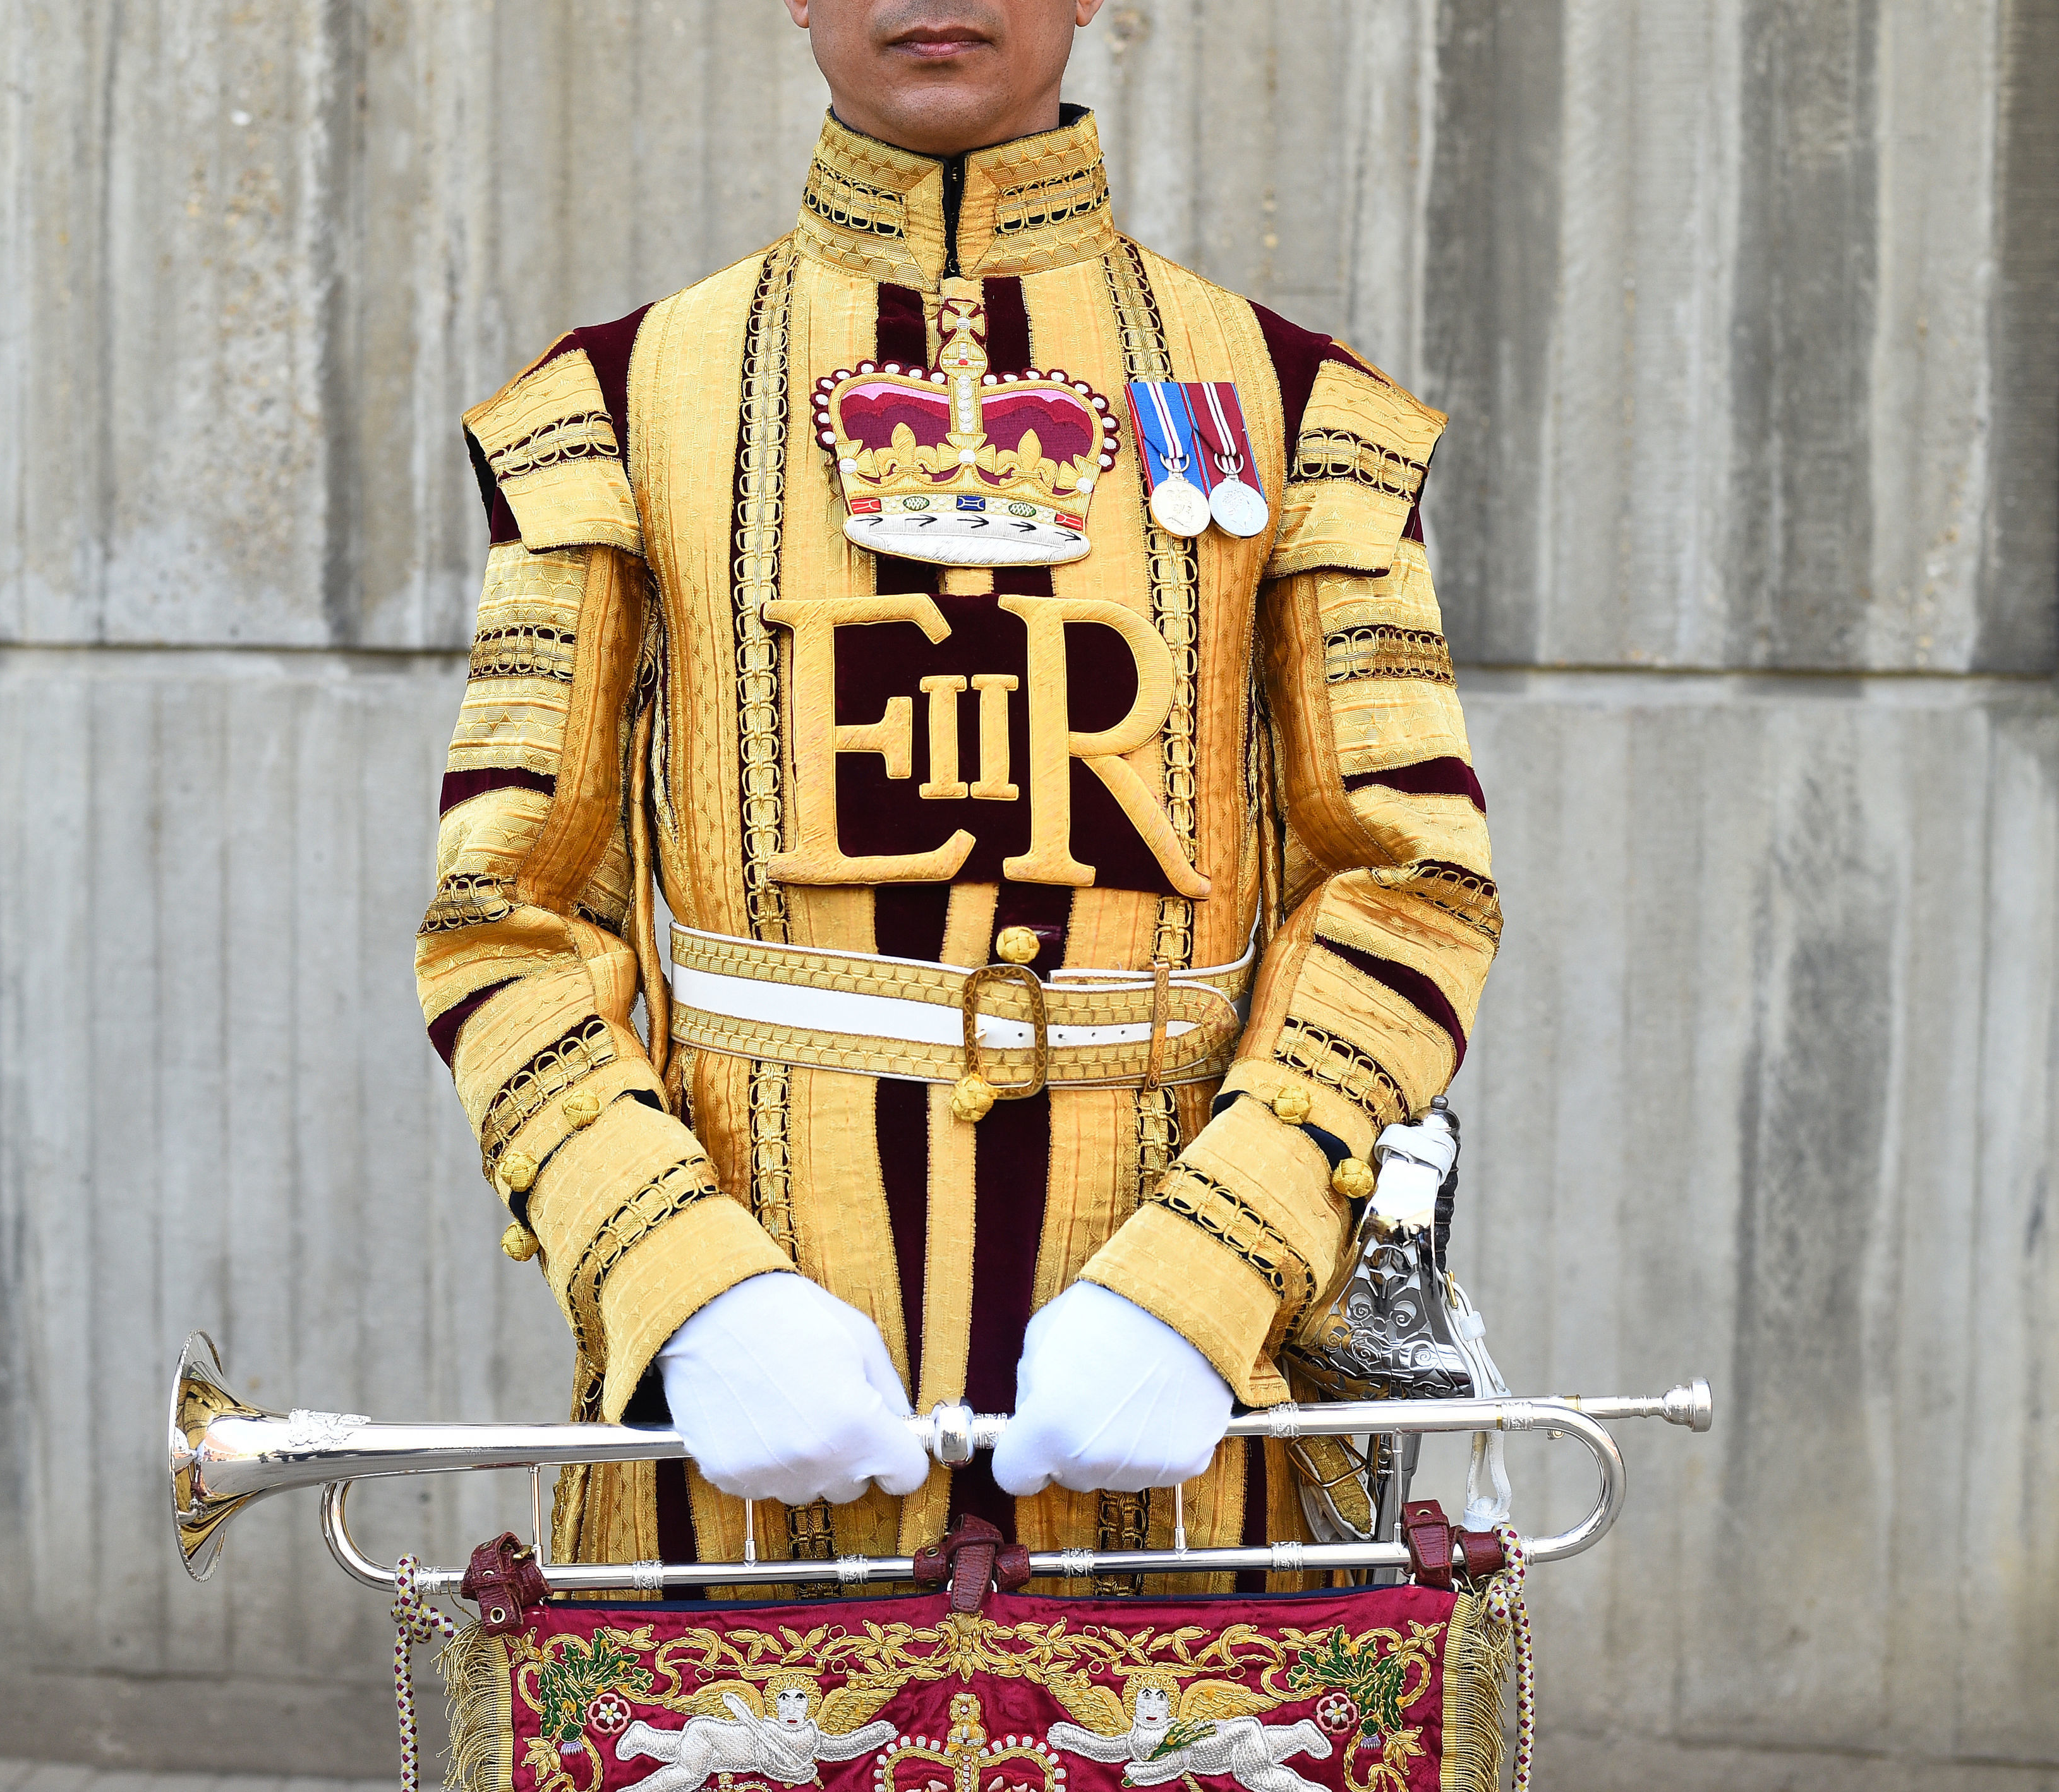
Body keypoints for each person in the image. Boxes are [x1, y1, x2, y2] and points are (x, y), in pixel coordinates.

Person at [416, 0, 1500, 1585]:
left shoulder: (1292, 403)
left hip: (1178, 1419)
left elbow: (1409, 886)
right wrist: (682, 1278)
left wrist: (1212, 1277)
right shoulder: (619, 400)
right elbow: (502, 918)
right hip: (747, 1416)